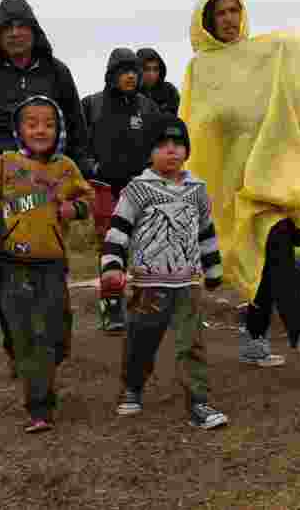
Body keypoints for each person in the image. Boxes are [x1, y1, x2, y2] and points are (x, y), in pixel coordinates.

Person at [179, 0, 300, 377]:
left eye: (234, 10)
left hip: (273, 172)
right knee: (273, 250)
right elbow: (195, 128)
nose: (229, 18)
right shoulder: (200, 69)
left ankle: (262, 336)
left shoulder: (265, 53)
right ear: (206, 21)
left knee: (275, 248)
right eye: (220, 13)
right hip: (234, 182)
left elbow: (297, 63)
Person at [0, 0, 94, 370]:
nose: (14, 34)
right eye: (6, 28)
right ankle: (18, 344)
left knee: (50, 268)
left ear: (34, 30)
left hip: (48, 185)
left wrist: (82, 176)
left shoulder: (56, 73)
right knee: (8, 272)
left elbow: (76, 126)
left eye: (21, 26)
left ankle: (53, 342)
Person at [0, 95, 93, 434]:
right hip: (10, 262)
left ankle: (31, 358)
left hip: (52, 262)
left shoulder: (66, 168)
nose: (40, 130)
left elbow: (88, 198)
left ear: (59, 129)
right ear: (19, 129)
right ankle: (40, 408)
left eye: (48, 123)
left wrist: (73, 209)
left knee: (58, 331)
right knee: (24, 329)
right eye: (32, 123)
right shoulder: (4, 163)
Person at [103, 116, 228, 429]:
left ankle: (199, 402)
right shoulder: (137, 189)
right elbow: (118, 230)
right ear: (149, 152)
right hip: (148, 285)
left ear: (187, 150)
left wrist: (213, 270)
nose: (171, 150)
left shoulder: (197, 190)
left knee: (192, 343)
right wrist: (112, 267)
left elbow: (206, 231)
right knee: (141, 340)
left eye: (178, 144)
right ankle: (132, 387)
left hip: (188, 283)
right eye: (161, 145)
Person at [81, 47, 161, 333]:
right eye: (124, 72)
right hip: (104, 189)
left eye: (134, 72)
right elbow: (78, 146)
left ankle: (142, 306)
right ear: (111, 75)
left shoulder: (148, 108)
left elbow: (160, 146)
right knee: (111, 250)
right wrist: (93, 169)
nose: (130, 77)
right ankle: (112, 308)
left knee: (145, 247)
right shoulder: (92, 104)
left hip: (139, 189)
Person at [136, 48, 180, 116]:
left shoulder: (169, 91)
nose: (151, 74)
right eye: (146, 69)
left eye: (155, 69)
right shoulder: (131, 93)